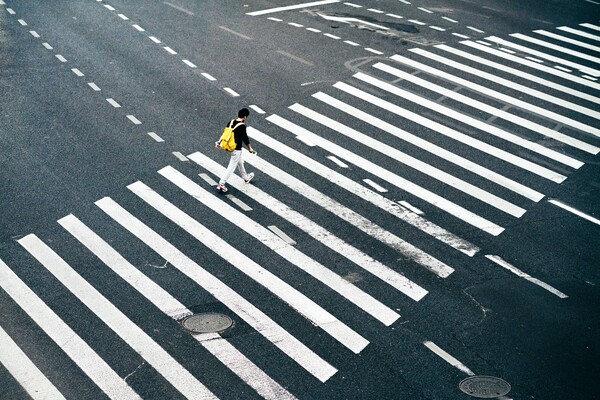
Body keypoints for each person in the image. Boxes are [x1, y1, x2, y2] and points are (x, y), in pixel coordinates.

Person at [216, 108, 255, 193]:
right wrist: (250, 148)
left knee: (240, 161)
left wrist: (219, 142)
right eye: (246, 117)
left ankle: (246, 178)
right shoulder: (242, 126)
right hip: (236, 149)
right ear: (245, 117)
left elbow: (225, 133)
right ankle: (221, 184)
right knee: (231, 167)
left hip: (228, 146)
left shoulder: (231, 122)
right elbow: (245, 138)